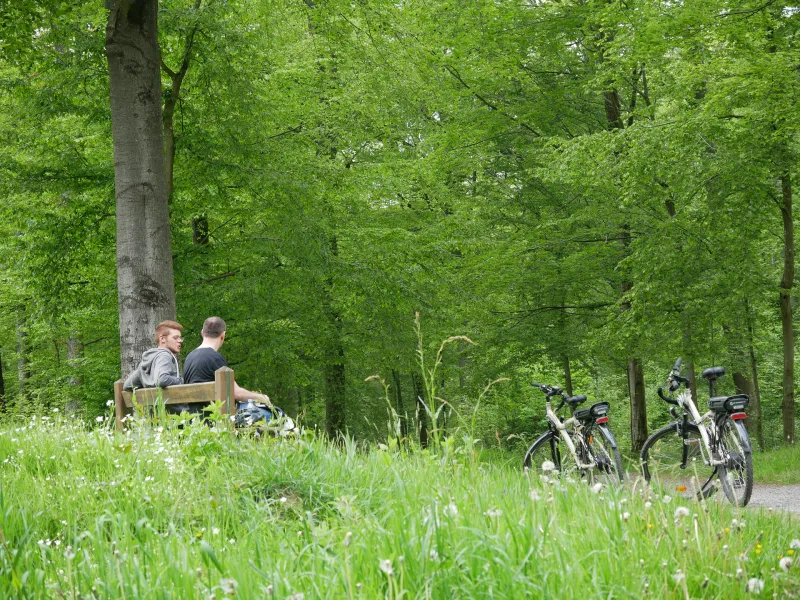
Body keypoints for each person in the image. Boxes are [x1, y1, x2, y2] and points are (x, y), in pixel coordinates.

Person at [183, 316, 272, 405]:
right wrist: (261, 397)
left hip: (192, 416)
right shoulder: (215, 358)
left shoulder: (189, 357)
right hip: (212, 416)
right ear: (223, 335)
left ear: (202, 333)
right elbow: (236, 393)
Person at [123, 320, 184, 392]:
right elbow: (162, 380)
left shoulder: (147, 360)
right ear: (162, 339)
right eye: (175, 337)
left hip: (153, 402)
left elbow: (128, 385)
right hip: (170, 402)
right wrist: (182, 380)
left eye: (180, 338)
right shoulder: (164, 356)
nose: (180, 340)